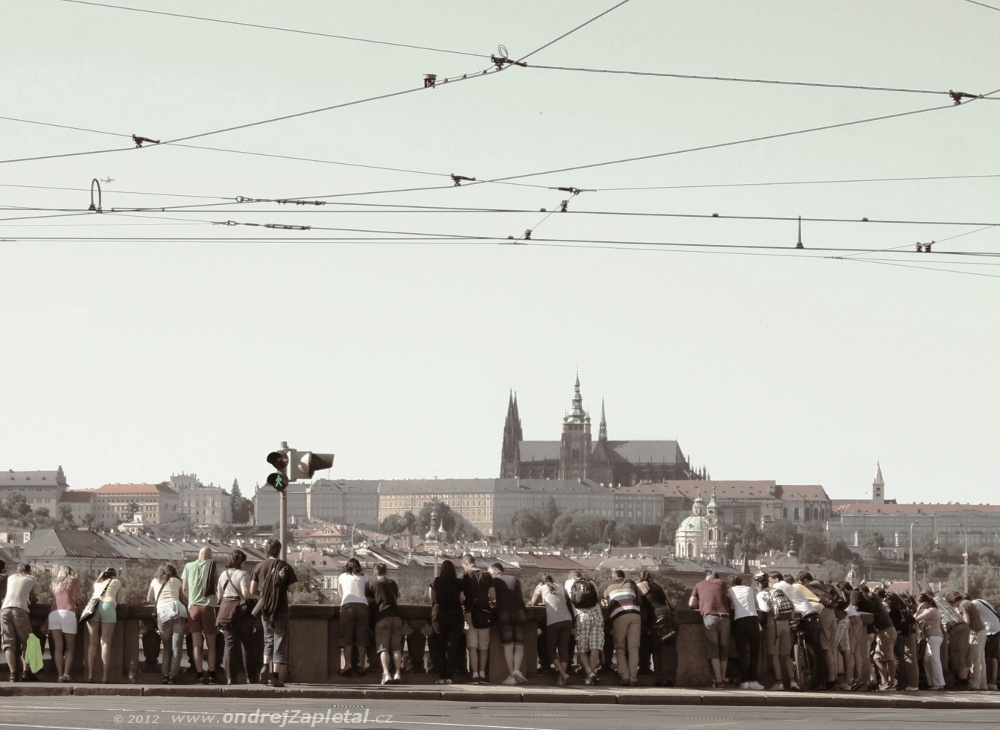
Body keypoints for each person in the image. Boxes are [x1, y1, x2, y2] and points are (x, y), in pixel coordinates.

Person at [250, 538, 297, 687]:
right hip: (281, 608)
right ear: (279, 550)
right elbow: (292, 589)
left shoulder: (259, 566)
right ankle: (275, 676)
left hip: (266, 609)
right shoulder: (285, 567)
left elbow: (252, 590)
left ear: (266, 550)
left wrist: (266, 595)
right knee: (280, 640)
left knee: (268, 639)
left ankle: (265, 667)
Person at [772, 572, 820, 690]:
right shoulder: (789, 586)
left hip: (802, 615)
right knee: (815, 648)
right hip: (811, 613)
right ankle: (815, 678)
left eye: (770, 579)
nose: (769, 582)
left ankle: (797, 663)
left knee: (793, 643)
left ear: (776, 579)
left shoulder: (778, 585)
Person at [181, 546, 219, 684]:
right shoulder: (212, 567)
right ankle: (212, 673)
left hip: (193, 608)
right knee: (211, 644)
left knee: (196, 644)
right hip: (208, 607)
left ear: (199, 554)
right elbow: (217, 587)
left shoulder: (188, 566)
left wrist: (191, 599)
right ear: (209, 556)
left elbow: (184, 588)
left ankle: (199, 674)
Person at [689, 570, 732, 688]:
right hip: (725, 617)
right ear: (717, 578)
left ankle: (718, 681)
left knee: (713, 649)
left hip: (710, 617)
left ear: (706, 577)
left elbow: (691, 603)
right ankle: (723, 678)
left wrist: (703, 603)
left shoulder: (699, 584)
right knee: (724, 649)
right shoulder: (723, 583)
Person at [217, 549, 253, 685]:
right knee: (247, 644)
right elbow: (246, 593)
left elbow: (219, 597)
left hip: (225, 611)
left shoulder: (222, 575)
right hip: (240, 611)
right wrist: (259, 595)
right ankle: (251, 677)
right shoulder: (243, 574)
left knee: (229, 645)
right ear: (242, 562)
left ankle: (231, 678)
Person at [636, 571, 677, 687]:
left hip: (657, 618)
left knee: (657, 649)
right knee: (670, 650)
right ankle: (671, 678)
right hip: (670, 616)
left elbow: (638, 603)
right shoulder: (656, 586)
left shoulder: (640, 586)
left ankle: (660, 679)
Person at [147, 563, 186, 684]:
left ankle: (165, 674)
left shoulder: (155, 581)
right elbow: (182, 599)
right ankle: (172, 676)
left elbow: (149, 599)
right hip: (178, 611)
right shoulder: (176, 581)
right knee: (177, 647)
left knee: (167, 647)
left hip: (163, 613)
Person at [530, 574, 573, 685]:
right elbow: (566, 600)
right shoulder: (560, 586)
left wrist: (537, 589)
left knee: (551, 650)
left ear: (542, 581)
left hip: (553, 621)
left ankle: (563, 674)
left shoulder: (541, 588)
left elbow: (531, 603)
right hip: (568, 620)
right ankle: (560, 679)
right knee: (563, 649)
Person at [489, 563, 527, 686]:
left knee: (508, 646)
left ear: (496, 570)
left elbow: (493, 597)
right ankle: (517, 670)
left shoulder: (494, 580)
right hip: (520, 612)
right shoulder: (515, 579)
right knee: (519, 645)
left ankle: (511, 676)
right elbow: (520, 596)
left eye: (490, 571)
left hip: (503, 612)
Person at [366, 562, 404, 685]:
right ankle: (398, 673)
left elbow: (370, 603)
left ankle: (386, 674)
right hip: (397, 617)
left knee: (383, 648)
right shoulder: (393, 583)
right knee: (396, 648)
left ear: (375, 572)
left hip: (382, 617)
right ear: (386, 571)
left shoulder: (373, 584)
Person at [428, 559, 464, 685]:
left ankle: (442, 676)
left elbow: (430, 597)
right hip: (455, 614)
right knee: (452, 647)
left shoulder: (436, 581)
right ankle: (450, 676)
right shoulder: (458, 582)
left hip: (439, 614)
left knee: (440, 646)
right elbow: (461, 599)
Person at [565, 570, 603, 685]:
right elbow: (598, 598)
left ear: (571, 577)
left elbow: (567, 601)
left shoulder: (568, 583)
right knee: (595, 647)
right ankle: (591, 676)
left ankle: (590, 673)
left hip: (582, 616)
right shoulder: (591, 583)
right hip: (597, 615)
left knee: (582, 648)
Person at [604, 569, 642, 686]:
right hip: (635, 614)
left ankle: (624, 677)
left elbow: (605, 600)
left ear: (613, 577)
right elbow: (639, 599)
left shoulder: (608, 584)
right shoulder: (631, 582)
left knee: (620, 648)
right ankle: (633, 678)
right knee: (634, 649)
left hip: (619, 615)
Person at [461, 554, 495, 685]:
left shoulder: (464, 575)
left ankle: (474, 675)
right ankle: (482, 673)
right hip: (485, 613)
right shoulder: (487, 575)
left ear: (465, 564)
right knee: (484, 646)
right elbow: (493, 596)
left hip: (469, 613)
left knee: (472, 646)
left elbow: (460, 597)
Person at [1, 563, 38, 682]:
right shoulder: (32, 579)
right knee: (28, 642)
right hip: (20, 609)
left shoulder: (11, 578)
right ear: (29, 570)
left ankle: (13, 674)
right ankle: (26, 672)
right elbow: (32, 599)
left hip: (5, 609)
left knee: (8, 642)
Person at [85, 567, 121, 684]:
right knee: (105, 643)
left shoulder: (97, 583)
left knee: (92, 642)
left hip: (93, 607)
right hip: (108, 607)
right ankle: (105, 677)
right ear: (114, 575)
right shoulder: (116, 582)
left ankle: (90, 675)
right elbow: (119, 600)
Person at [728, 575, 763, 690]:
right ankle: (753, 680)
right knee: (754, 652)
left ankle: (744, 681)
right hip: (753, 619)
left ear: (731, 583)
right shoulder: (749, 589)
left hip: (739, 620)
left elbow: (730, 605)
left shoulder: (730, 590)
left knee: (741, 652)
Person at [336, 557, 369, 677]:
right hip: (363, 606)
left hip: (347, 605)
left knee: (347, 637)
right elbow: (366, 592)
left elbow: (341, 594)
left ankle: (348, 664)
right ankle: (361, 665)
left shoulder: (342, 577)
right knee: (362, 637)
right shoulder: (364, 577)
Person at [47, 565, 80, 682]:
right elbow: (75, 599)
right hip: (68, 613)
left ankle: (59, 675)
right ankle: (66, 674)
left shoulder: (55, 583)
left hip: (54, 614)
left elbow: (53, 599)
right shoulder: (75, 581)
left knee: (58, 647)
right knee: (70, 648)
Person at [916, 593, 945, 690]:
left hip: (934, 637)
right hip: (933, 637)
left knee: (934, 660)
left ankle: (938, 683)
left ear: (924, 603)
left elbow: (915, 618)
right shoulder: (932, 611)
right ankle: (932, 682)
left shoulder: (931, 611)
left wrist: (919, 609)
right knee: (927, 660)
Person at [971, 597, 1000, 690]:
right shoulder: (981, 601)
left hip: (989, 630)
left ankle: (985, 682)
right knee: (993, 657)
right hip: (997, 628)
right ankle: (993, 682)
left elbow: (971, 619)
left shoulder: (972, 603)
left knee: (984, 656)